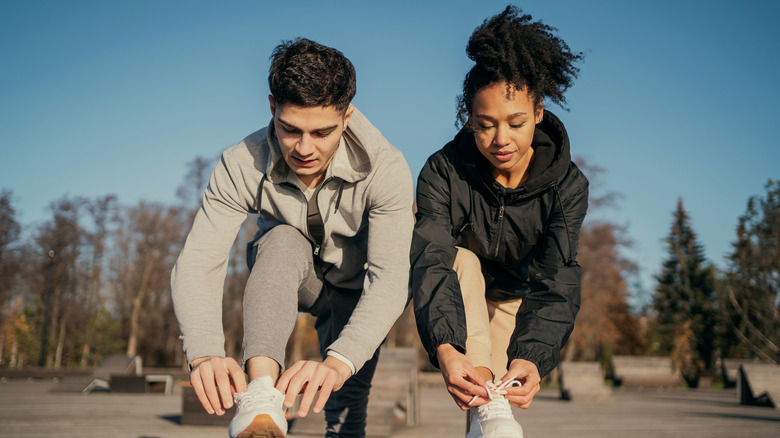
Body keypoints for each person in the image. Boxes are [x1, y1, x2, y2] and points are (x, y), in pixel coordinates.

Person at [171, 38, 414, 438]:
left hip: (357, 290)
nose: (304, 148)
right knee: (282, 240)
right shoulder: (240, 163)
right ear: (272, 108)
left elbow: (389, 279)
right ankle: (263, 393)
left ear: (347, 116)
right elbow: (200, 262)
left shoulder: (385, 167)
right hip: (291, 277)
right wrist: (204, 351)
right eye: (289, 130)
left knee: (346, 416)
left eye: (321, 132)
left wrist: (339, 361)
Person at [411, 6, 588, 438]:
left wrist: (534, 357)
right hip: (459, 286)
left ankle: (487, 414)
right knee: (462, 260)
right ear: (468, 118)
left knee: (493, 400)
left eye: (516, 122)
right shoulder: (443, 172)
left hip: (517, 297)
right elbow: (432, 260)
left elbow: (557, 277)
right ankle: (487, 410)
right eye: (484, 125)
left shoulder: (567, 186)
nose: (500, 139)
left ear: (540, 111)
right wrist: (447, 350)